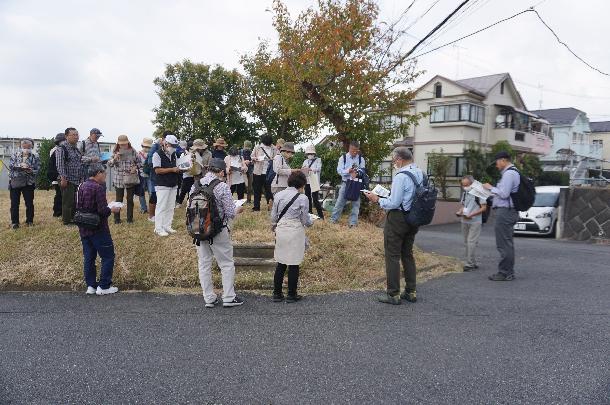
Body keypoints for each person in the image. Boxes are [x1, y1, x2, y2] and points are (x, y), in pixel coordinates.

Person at [365, 147, 422, 305]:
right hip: (414, 217)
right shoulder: (420, 173)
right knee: (407, 254)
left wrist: (377, 199)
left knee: (392, 255)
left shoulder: (401, 176)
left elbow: (394, 202)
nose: (393, 163)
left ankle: (393, 294)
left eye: (393, 159)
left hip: (398, 218)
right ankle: (411, 291)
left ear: (399, 159)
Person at [195, 158, 245, 308]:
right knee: (226, 264)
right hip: (218, 230)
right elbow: (230, 212)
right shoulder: (222, 186)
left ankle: (209, 298)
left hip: (199, 230)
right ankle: (229, 296)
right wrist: (238, 209)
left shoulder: (196, 185)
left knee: (204, 264)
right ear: (222, 171)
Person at [77, 164, 121, 295]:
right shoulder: (98, 188)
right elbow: (103, 211)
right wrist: (112, 209)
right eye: (104, 173)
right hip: (99, 228)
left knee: (89, 258)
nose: (105, 176)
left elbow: (79, 206)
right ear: (98, 173)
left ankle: (91, 286)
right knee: (108, 256)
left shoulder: (81, 186)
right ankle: (104, 286)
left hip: (84, 227)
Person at [271, 171, 313, 303]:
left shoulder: (278, 195)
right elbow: (305, 219)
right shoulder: (303, 198)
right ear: (301, 184)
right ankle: (291, 294)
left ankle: (277, 294)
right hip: (295, 230)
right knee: (294, 263)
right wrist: (311, 222)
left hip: (282, 229)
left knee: (281, 263)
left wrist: (274, 226)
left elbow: (273, 216)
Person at [483, 151, 520, 281]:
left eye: (497, 162)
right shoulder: (511, 173)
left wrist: (490, 188)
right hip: (508, 211)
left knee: (503, 244)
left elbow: (504, 194)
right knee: (507, 243)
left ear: (503, 160)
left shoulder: (509, 174)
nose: (496, 165)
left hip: (505, 212)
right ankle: (508, 272)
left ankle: (505, 272)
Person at [330, 141, 366, 227]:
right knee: (340, 203)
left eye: (356, 151)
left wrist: (357, 172)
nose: (354, 152)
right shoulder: (343, 158)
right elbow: (339, 171)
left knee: (356, 204)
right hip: (346, 183)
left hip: (356, 184)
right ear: (349, 148)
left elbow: (363, 170)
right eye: (353, 150)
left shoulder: (361, 158)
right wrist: (348, 171)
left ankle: (353, 223)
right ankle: (333, 220)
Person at [107, 135, 141, 224]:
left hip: (130, 178)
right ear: (118, 144)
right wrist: (114, 158)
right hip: (119, 179)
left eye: (124, 144)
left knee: (130, 199)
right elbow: (109, 164)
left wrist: (135, 167)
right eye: (121, 144)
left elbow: (140, 163)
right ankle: (117, 219)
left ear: (128, 143)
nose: (123, 146)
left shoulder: (133, 151)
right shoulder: (115, 151)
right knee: (119, 200)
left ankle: (129, 219)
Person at [152, 134, 181, 236]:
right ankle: (158, 228)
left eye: (175, 146)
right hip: (162, 184)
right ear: (165, 143)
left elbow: (177, 166)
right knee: (161, 206)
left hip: (173, 184)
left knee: (170, 206)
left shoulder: (174, 154)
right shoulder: (157, 154)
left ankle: (167, 226)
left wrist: (182, 167)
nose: (173, 148)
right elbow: (157, 170)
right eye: (172, 145)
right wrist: (172, 169)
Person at [8, 138, 40, 229]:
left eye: (28, 146)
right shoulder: (15, 154)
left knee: (29, 203)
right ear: (20, 146)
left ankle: (29, 221)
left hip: (28, 182)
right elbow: (11, 165)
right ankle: (15, 223)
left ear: (32, 146)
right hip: (15, 180)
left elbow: (38, 169)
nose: (26, 148)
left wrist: (31, 170)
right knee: (14, 203)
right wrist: (20, 166)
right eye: (24, 146)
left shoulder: (35, 156)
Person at [56, 127, 85, 226]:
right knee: (67, 201)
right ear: (66, 136)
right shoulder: (62, 148)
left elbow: (79, 162)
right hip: (67, 179)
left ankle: (73, 218)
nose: (76, 137)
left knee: (74, 201)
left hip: (76, 179)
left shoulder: (76, 149)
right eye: (73, 135)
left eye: (77, 135)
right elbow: (60, 165)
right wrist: (63, 178)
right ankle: (67, 221)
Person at [457, 175, 487, 271]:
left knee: (471, 242)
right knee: (467, 242)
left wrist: (472, 214)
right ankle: (473, 262)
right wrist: (459, 212)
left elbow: (484, 208)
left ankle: (469, 263)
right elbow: (463, 205)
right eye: (463, 185)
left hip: (475, 221)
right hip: (464, 220)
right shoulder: (465, 192)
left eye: (466, 184)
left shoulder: (479, 192)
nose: (464, 187)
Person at [146, 131, 172, 222]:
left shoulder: (168, 147)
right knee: (154, 194)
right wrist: (159, 168)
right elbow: (150, 162)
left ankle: (159, 214)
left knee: (161, 195)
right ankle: (151, 216)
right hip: (155, 174)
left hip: (164, 175)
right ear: (163, 138)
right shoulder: (155, 146)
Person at [177, 139, 211, 206]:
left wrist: (206, 166)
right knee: (196, 189)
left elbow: (210, 165)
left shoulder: (209, 154)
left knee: (205, 190)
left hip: (205, 175)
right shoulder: (192, 153)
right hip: (196, 175)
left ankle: (205, 203)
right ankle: (195, 203)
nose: (198, 149)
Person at [251, 134, 276, 211]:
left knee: (269, 190)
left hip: (269, 173)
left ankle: (270, 207)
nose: (267, 145)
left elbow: (277, 158)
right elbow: (252, 157)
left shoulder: (274, 148)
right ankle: (256, 207)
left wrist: (272, 159)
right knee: (257, 190)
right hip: (258, 172)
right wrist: (257, 158)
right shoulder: (258, 147)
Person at [302, 145, 324, 219]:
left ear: (314, 154)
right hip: (307, 181)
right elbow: (303, 169)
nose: (310, 155)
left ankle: (321, 216)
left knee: (315, 199)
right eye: (308, 154)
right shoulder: (305, 161)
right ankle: (310, 213)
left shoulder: (318, 160)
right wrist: (304, 169)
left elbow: (318, 168)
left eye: (311, 153)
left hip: (314, 181)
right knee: (307, 198)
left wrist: (310, 169)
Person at [48, 133, 65, 217]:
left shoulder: (56, 149)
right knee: (59, 195)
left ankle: (60, 212)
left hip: (58, 175)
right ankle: (57, 212)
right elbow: (55, 165)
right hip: (57, 175)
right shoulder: (56, 150)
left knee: (60, 194)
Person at [137, 138, 153, 214]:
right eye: (145, 146)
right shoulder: (138, 154)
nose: (147, 148)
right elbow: (136, 163)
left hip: (150, 175)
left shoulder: (153, 154)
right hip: (141, 175)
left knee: (151, 192)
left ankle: (152, 208)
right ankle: (143, 208)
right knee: (141, 192)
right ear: (142, 145)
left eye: (148, 147)